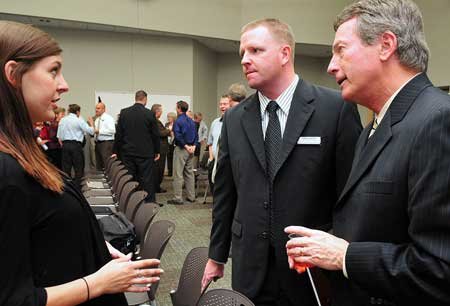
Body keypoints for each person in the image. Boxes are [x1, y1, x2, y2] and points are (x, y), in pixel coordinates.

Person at [285, 1, 450, 305]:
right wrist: (321, 247)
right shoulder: (374, 125)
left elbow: (439, 269)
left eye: (341, 50)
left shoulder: (438, 121)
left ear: (386, 45)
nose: (331, 65)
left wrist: (343, 256)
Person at [0, 21, 163, 306]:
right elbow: (14, 298)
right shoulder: (6, 170)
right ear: (13, 74)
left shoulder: (22, 151)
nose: (64, 84)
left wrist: (93, 245)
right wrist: (98, 283)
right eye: (53, 70)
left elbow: (39, 237)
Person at [202, 18, 362, 306]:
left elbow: (351, 196)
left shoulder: (334, 109)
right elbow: (226, 193)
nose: (245, 60)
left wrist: (342, 253)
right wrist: (216, 255)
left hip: (309, 269)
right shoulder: (235, 119)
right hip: (250, 265)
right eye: (242, 53)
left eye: (255, 51)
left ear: (285, 54)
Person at [113, 90, 160, 202]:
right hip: (145, 153)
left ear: (135, 98)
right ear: (145, 99)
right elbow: (155, 135)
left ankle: (129, 202)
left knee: (129, 179)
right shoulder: (149, 114)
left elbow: (119, 134)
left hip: (127, 152)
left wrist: (116, 151)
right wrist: (157, 151)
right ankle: (148, 203)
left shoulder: (124, 113)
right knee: (147, 179)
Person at [167, 100, 198, 205]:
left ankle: (178, 198)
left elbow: (178, 136)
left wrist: (185, 146)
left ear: (179, 109)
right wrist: (193, 146)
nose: (176, 109)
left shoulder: (178, 121)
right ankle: (191, 196)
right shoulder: (191, 121)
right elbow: (196, 135)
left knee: (178, 174)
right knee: (189, 173)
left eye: (176, 107)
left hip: (181, 149)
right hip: (191, 150)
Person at [57, 103, 94, 189]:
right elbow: (91, 132)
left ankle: (67, 188)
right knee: (78, 168)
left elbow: (59, 136)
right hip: (76, 146)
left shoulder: (62, 120)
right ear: (77, 112)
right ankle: (78, 189)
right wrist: (91, 123)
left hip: (65, 145)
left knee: (66, 169)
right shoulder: (79, 120)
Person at [206, 95, 231, 193]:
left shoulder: (235, 122)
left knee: (226, 190)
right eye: (220, 104)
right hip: (215, 161)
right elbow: (210, 143)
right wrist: (211, 159)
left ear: (231, 105)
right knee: (214, 187)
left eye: (225, 104)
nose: (222, 106)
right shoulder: (215, 123)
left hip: (228, 162)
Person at [151, 103, 170, 195]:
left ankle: (157, 186)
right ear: (157, 111)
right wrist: (169, 130)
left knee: (158, 169)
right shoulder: (155, 121)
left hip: (159, 149)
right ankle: (156, 187)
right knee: (159, 169)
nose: (162, 112)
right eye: (161, 111)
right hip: (160, 149)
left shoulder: (155, 120)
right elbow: (160, 133)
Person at [93, 101, 115, 170]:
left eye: (98, 108)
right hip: (98, 143)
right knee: (99, 164)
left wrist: (99, 131)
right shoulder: (97, 120)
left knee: (106, 164)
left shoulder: (109, 118)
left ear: (104, 109)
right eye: (96, 108)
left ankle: (109, 180)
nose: (96, 110)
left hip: (106, 143)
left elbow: (112, 131)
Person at [165, 111, 177, 177]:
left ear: (173, 118)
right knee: (168, 157)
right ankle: (170, 172)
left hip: (174, 143)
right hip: (167, 143)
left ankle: (174, 173)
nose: (168, 118)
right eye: (168, 117)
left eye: (169, 117)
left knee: (174, 158)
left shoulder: (176, 124)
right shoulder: (166, 124)